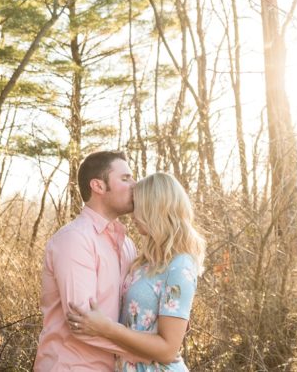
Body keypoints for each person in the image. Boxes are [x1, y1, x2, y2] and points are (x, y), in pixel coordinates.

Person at [67, 172, 205, 371]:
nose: (132, 214)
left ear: (154, 208)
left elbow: (168, 349)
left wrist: (106, 329)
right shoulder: (145, 260)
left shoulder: (181, 264)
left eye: (138, 205)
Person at [34, 151, 141, 371]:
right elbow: (82, 324)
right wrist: (149, 351)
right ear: (98, 186)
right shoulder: (74, 239)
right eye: (125, 178)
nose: (134, 184)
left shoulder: (128, 244)